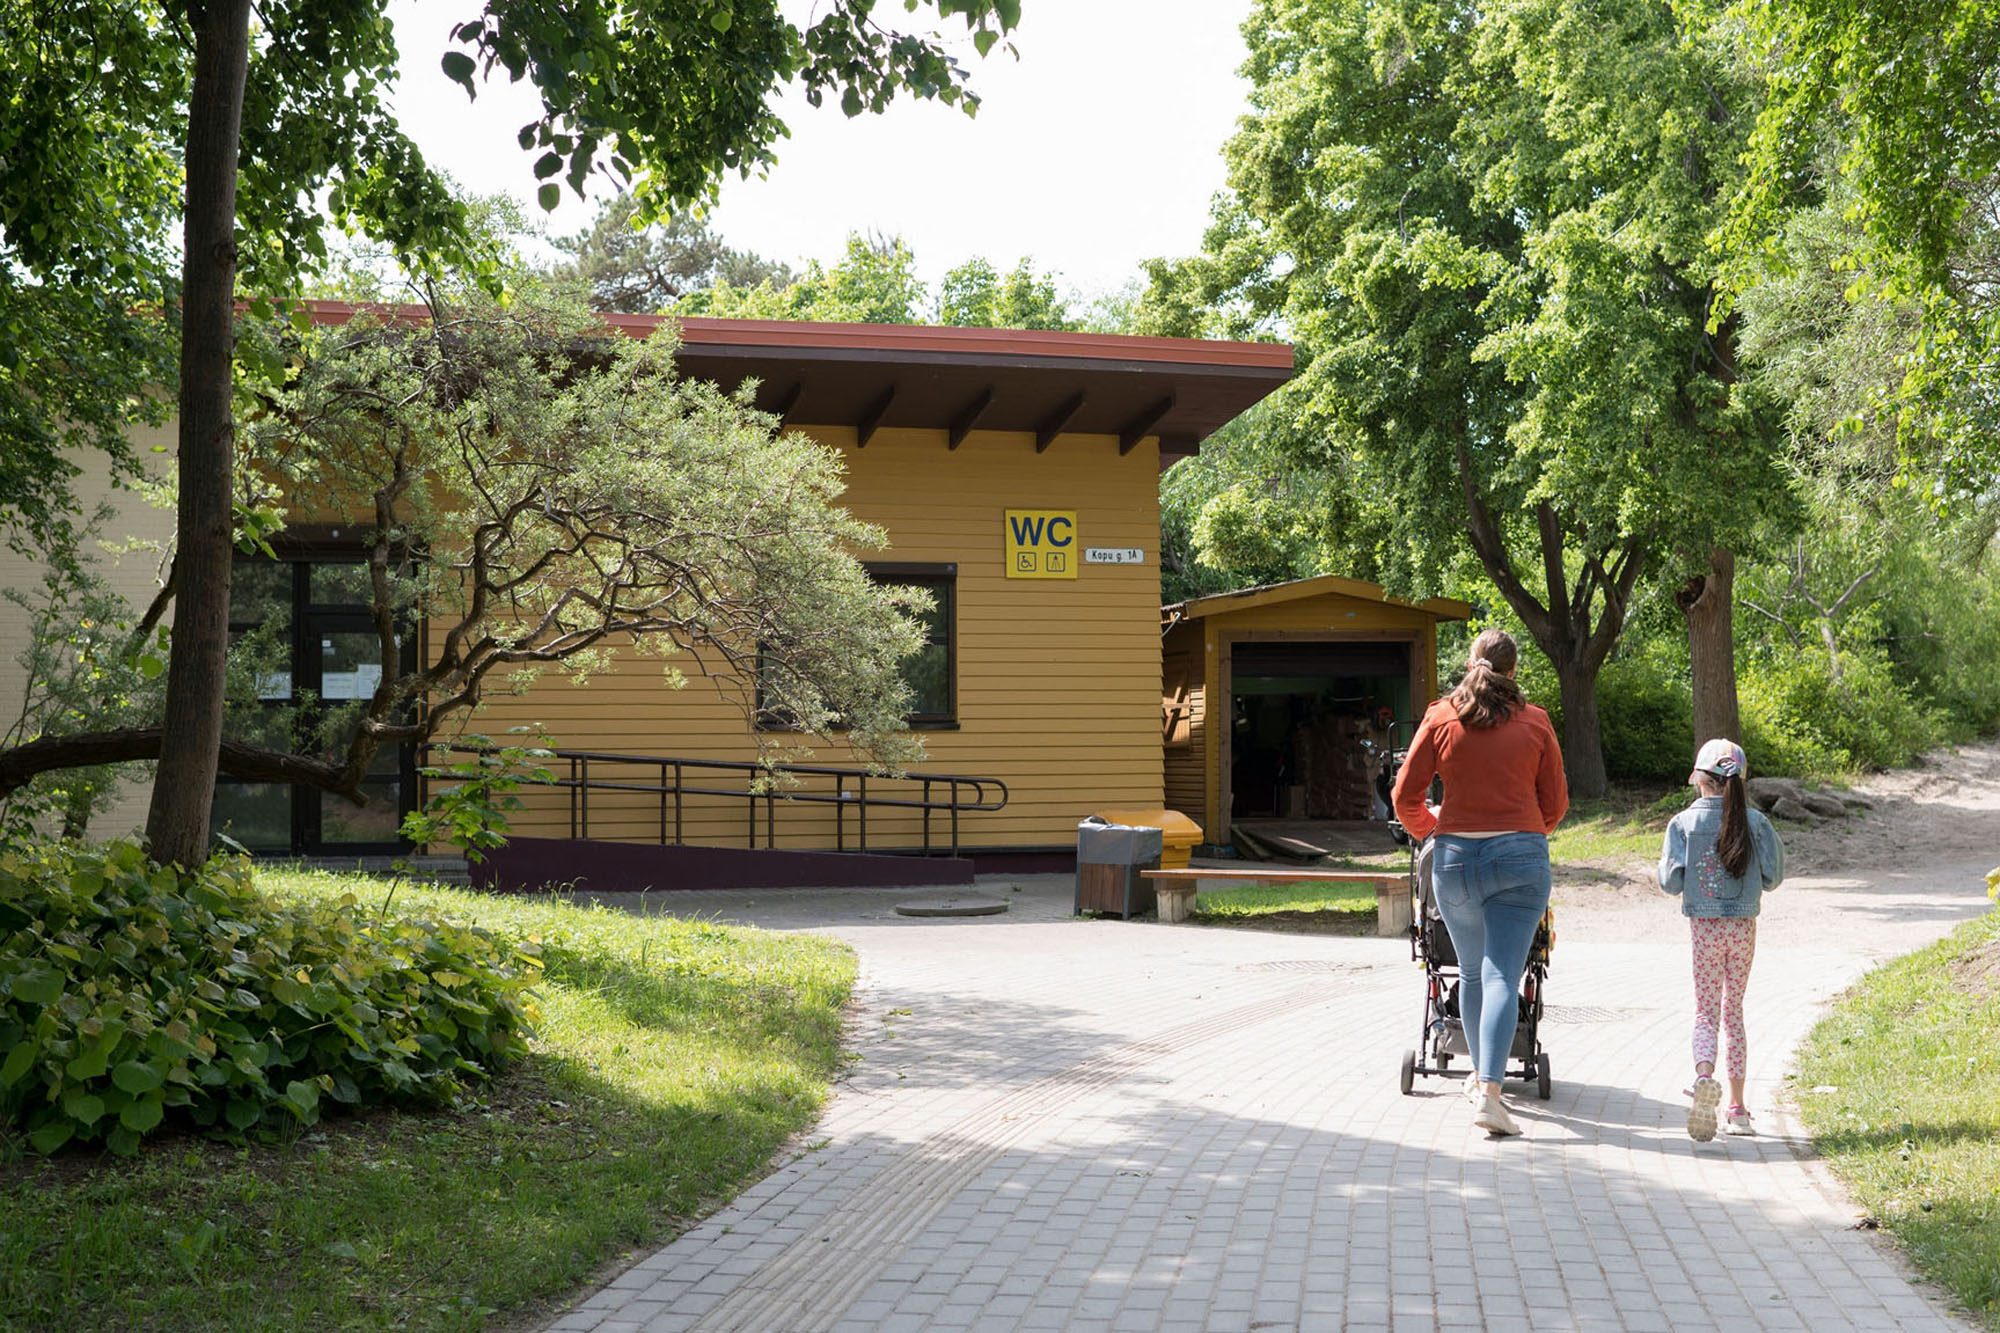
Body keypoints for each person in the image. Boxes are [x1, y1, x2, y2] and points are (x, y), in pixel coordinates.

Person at [1392, 628, 1568, 1136]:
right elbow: (1556, 804)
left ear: (1471, 665)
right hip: (1520, 860)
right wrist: (1525, 835)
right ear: (1514, 671)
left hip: (1455, 862)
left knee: (1471, 974)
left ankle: (1477, 1078)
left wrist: (1433, 831)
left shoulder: (1441, 716)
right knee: (1501, 977)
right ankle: (1490, 1092)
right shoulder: (1536, 721)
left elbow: (1404, 797)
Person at [1658, 738, 1785, 1141]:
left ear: (1699, 780)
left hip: (1705, 929)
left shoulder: (1683, 823)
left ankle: (1702, 1078)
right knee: (1734, 1013)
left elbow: (1670, 882)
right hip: (1742, 927)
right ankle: (1737, 1109)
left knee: (1706, 1013)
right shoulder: (1756, 823)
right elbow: (1773, 877)